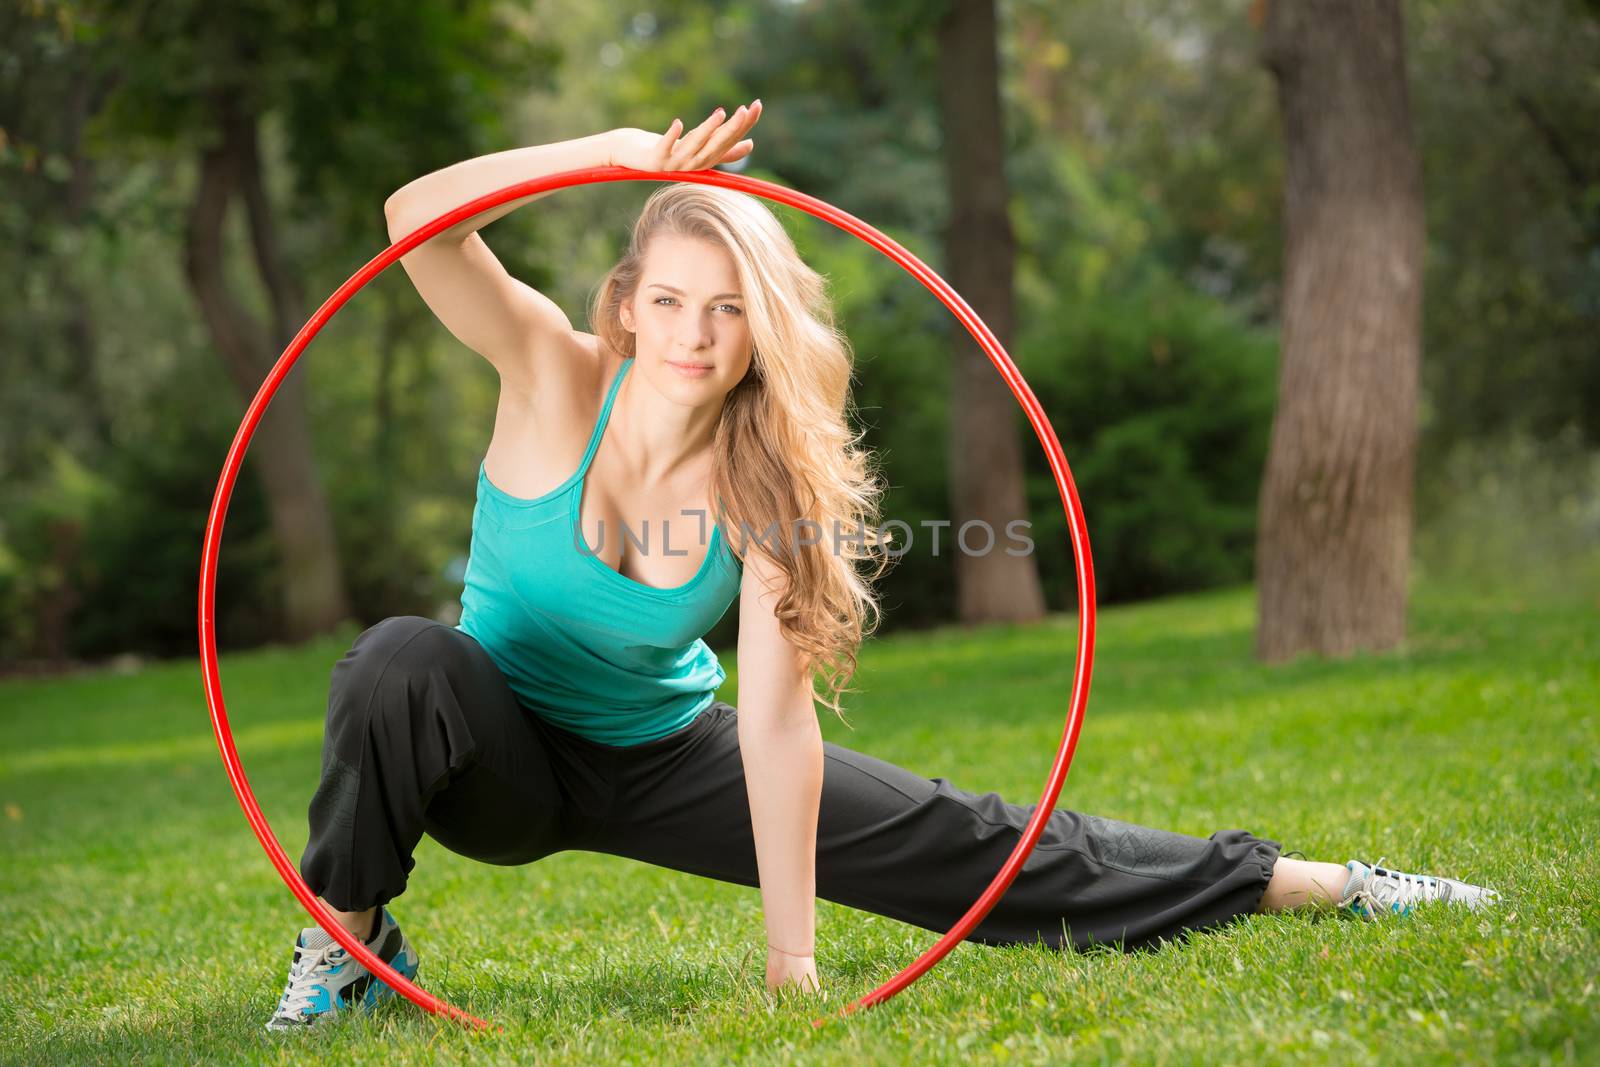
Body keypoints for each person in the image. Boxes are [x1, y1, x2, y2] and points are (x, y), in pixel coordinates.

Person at [266, 101, 1499, 1031]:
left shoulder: (765, 490)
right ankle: (354, 948)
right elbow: (411, 220)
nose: (696, 335)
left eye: (729, 309)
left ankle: (1331, 884)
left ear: (763, 326)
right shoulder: (546, 370)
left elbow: (774, 722)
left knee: (980, 844)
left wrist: (791, 956)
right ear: (628, 301)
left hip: (659, 755)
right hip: (497, 756)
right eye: (675, 301)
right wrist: (617, 151)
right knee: (397, 660)